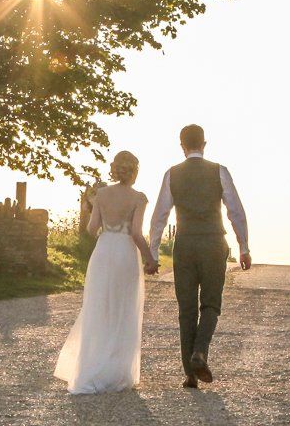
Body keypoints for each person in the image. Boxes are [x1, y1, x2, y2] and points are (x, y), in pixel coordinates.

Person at [148, 124, 250, 388]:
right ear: (204, 145)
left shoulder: (172, 174)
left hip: (185, 244)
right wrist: (244, 247)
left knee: (186, 309)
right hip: (213, 242)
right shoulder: (220, 171)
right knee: (211, 304)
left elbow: (159, 216)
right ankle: (200, 352)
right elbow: (235, 211)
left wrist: (153, 252)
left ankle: (190, 374)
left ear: (182, 146)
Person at [54, 150, 158, 394]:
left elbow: (91, 229)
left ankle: (91, 367)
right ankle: (117, 372)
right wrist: (150, 258)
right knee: (123, 308)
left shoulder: (101, 195)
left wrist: (95, 211)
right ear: (134, 171)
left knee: (99, 306)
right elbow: (136, 233)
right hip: (124, 253)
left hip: (103, 251)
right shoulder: (139, 198)